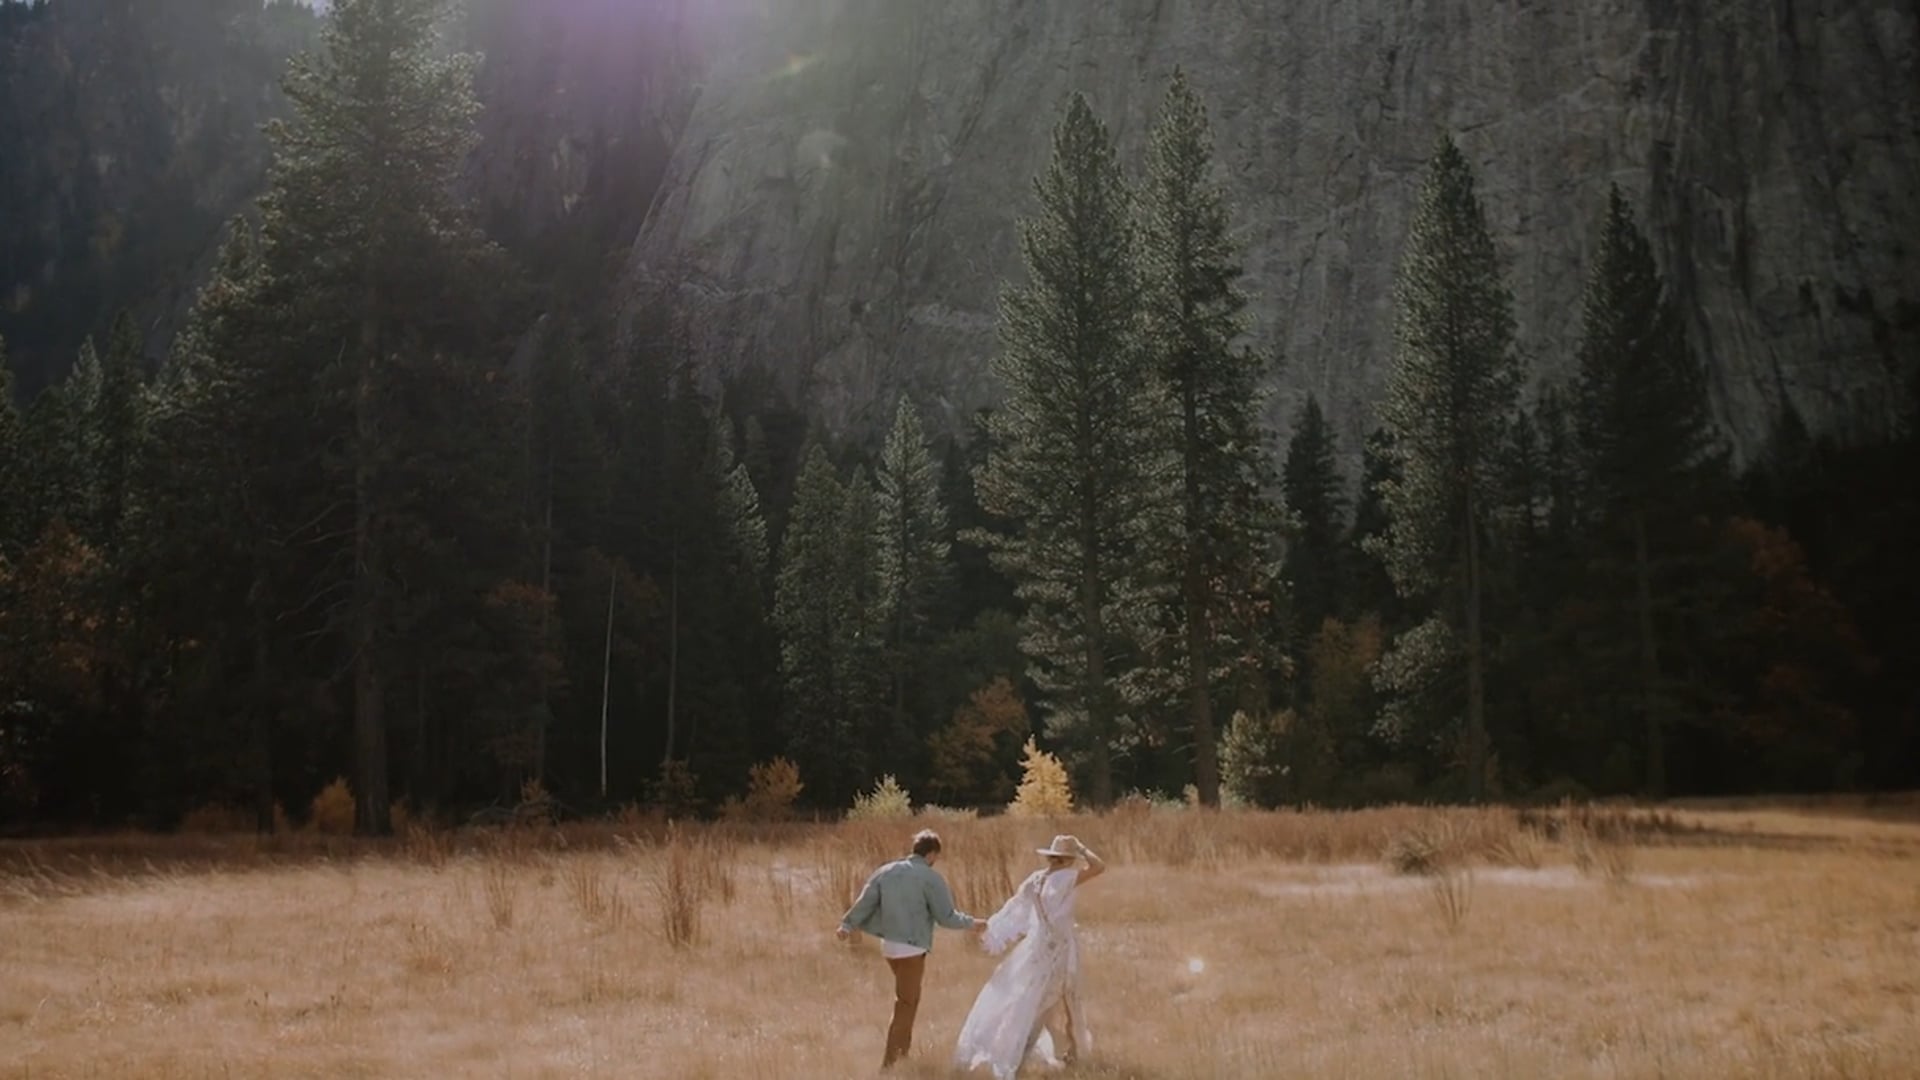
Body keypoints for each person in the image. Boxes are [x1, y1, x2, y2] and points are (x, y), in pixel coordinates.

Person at [953, 834, 1105, 1078]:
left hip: (1038, 946)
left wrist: (993, 927)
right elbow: (1099, 867)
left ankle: (1067, 1050)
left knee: (1034, 999)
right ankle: (1030, 1052)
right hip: (1061, 948)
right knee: (1055, 1000)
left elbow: (1015, 907)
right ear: (1069, 859)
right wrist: (1083, 848)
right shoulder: (1066, 877)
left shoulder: (1036, 880)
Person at [837, 828, 987, 1069]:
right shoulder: (929, 877)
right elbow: (946, 916)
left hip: (889, 947)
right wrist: (973, 923)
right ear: (932, 854)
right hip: (911, 949)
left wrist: (847, 924)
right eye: (936, 857)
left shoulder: (885, 871)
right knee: (906, 1004)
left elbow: (865, 901)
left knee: (909, 1000)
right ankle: (889, 1064)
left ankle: (902, 1058)